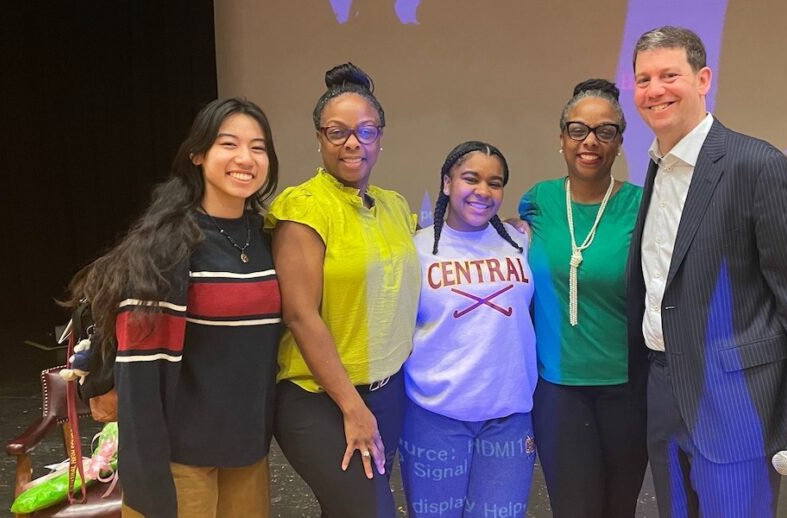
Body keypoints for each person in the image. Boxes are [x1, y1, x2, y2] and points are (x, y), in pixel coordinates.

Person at [626, 26, 787, 517]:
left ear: (703, 79)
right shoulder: (658, 167)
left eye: (669, 75)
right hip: (664, 389)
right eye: (644, 79)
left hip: (736, 403)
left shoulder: (757, 167)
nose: (655, 90)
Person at [66, 97, 282, 518]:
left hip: (247, 450)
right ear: (197, 155)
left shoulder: (265, 236)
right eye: (229, 144)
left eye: (258, 148)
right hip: (179, 456)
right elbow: (140, 374)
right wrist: (147, 477)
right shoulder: (167, 246)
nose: (246, 158)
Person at [267, 63, 418, 517]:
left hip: (386, 391)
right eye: (338, 132)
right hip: (318, 397)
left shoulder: (394, 205)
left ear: (380, 138)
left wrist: (506, 227)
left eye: (366, 131)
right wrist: (352, 408)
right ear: (319, 137)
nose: (353, 143)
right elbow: (299, 315)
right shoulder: (304, 207)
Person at [518, 79, 647, 518]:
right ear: (562, 138)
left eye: (605, 131)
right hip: (558, 389)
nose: (590, 141)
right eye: (578, 130)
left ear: (619, 142)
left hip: (627, 388)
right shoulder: (539, 201)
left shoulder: (641, 206)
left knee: (619, 508)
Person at [400, 141, 536, 518]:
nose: (483, 191)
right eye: (471, 179)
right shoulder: (416, 249)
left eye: (495, 183)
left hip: (508, 417)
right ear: (447, 183)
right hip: (434, 415)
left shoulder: (520, 242)